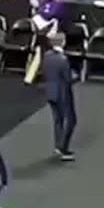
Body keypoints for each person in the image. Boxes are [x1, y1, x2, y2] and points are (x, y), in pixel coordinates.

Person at [42, 32, 77, 162]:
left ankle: (58, 146)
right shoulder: (62, 59)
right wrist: (75, 76)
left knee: (58, 120)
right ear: (63, 42)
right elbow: (68, 78)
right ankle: (63, 148)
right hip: (63, 94)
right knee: (71, 121)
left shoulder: (47, 55)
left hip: (50, 92)